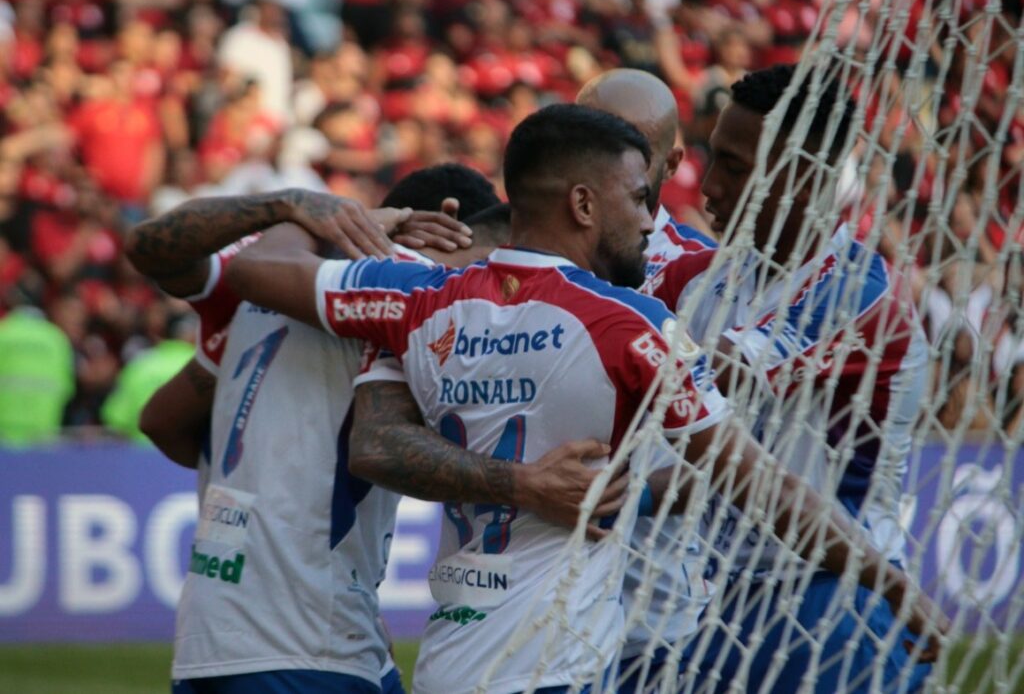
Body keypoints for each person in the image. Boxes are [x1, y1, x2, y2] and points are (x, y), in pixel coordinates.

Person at [225, 104, 947, 693]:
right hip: (557, 663)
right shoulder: (628, 326)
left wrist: (321, 211)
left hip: (450, 658)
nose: (649, 220)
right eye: (639, 199)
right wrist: (882, 574)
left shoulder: (414, 299)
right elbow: (755, 480)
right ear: (583, 202)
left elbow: (263, 270)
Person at [128, 165, 621, 694]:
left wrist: (264, 467)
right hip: (307, 640)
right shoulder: (407, 286)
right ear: (443, 223)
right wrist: (527, 484)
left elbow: (162, 417)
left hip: (212, 634)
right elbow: (381, 446)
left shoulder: (258, 287)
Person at [644, 64, 935, 692]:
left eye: (735, 166)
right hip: (724, 597)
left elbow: (708, 362)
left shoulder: (862, 295)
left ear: (805, 177)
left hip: (836, 598)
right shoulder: (701, 280)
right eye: (709, 158)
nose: (710, 184)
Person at [576, 67, 718, 690]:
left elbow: (724, 458)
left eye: (628, 148)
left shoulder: (702, 277)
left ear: (672, 161)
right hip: (541, 615)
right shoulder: (530, 259)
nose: (608, 166)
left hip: (656, 622)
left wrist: (610, 495)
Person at [0, 306, 74, 445]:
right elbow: (67, 387)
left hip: (3, 428)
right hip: (43, 430)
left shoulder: (3, 332)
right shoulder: (56, 338)